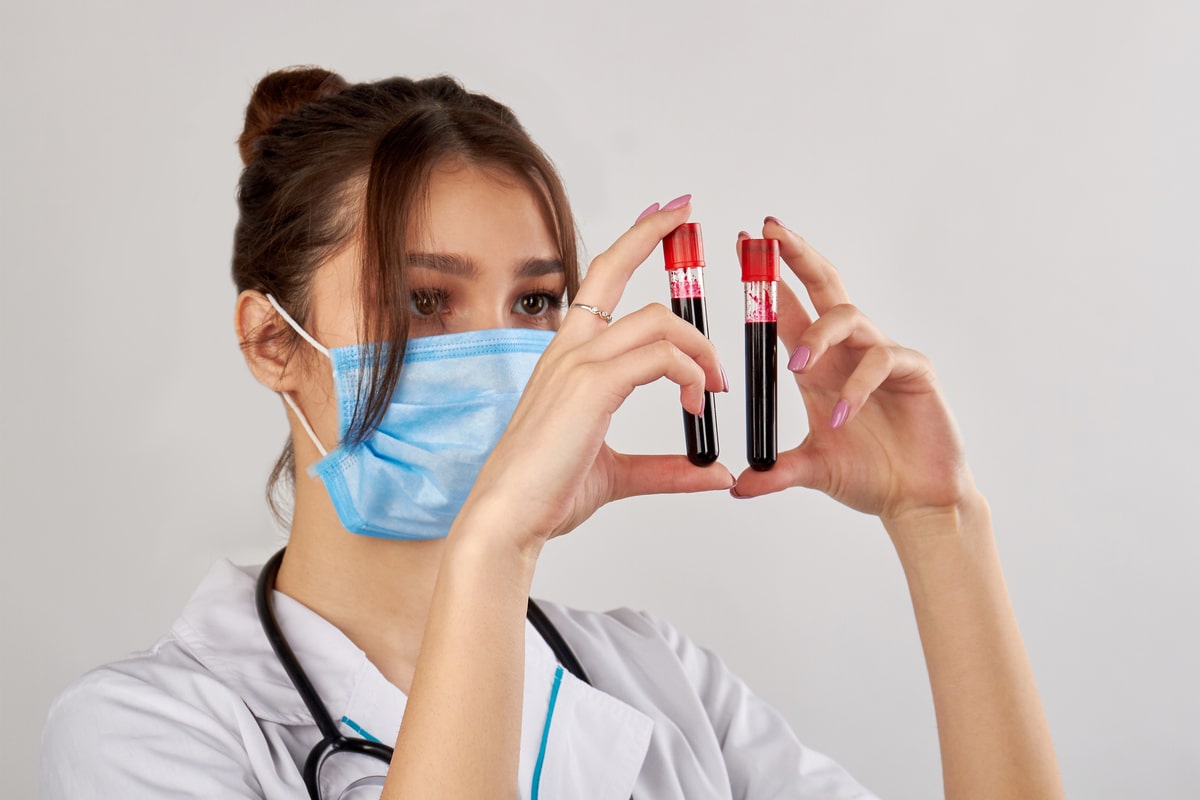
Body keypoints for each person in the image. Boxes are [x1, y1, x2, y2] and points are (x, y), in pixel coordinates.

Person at [41, 67, 1063, 800]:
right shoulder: (145, 732)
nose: (496, 353)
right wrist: (492, 550)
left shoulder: (657, 680)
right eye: (424, 299)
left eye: (535, 306)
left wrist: (942, 524)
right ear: (273, 341)